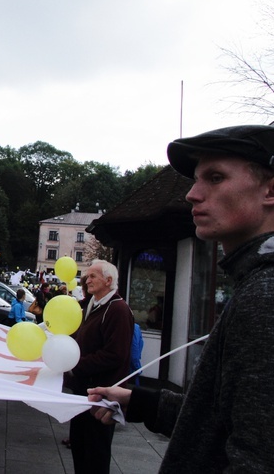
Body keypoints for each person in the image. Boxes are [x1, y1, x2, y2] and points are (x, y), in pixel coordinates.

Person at [89, 125, 274, 473]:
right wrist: (145, 404)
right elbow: (220, 419)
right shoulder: (254, 283)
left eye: (215, 177)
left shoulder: (265, 297)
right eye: (196, 179)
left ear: (271, 190)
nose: (192, 193)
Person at [64, 259, 134, 474]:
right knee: (79, 445)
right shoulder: (91, 305)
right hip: (83, 392)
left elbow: (115, 355)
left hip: (102, 395)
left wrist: (76, 366)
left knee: (95, 453)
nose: (87, 279)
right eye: (87, 275)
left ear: (109, 280)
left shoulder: (118, 310)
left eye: (93, 276)